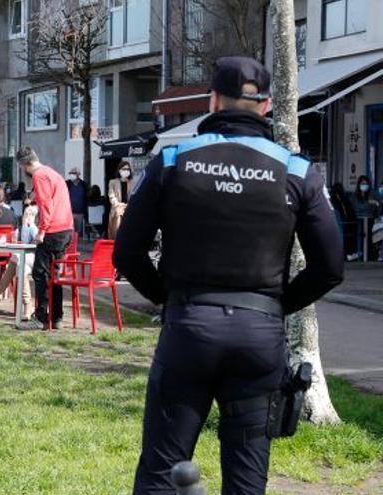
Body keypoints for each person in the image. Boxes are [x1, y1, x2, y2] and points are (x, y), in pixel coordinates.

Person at [113, 56, 344, 494]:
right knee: (246, 474)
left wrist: (167, 296)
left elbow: (127, 252)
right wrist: (276, 304)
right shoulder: (296, 171)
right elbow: (330, 267)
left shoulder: (174, 159)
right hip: (259, 337)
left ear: (214, 100)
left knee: (162, 470)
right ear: (268, 105)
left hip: (189, 328)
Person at [15, 147, 73, 331]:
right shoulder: (52, 173)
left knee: (40, 274)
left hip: (52, 231)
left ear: (25, 164)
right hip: (66, 228)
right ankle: (56, 317)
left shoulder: (39, 176)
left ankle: (40, 317)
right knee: (54, 276)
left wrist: (41, 232)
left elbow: (46, 206)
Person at [0, 202, 38, 320]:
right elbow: (21, 241)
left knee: (19, 260)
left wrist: (30, 229)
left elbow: (35, 242)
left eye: (30, 214)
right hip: (26, 256)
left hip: (36, 256)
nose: (26, 216)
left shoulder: (33, 227)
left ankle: (25, 303)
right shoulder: (25, 227)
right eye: (25, 213)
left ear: (34, 216)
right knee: (17, 258)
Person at [108, 161, 133, 239]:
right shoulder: (113, 182)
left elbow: (134, 195)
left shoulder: (132, 182)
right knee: (118, 216)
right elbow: (111, 196)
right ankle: (117, 239)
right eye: (124, 169)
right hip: (118, 207)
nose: (126, 171)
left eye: (128, 169)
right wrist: (119, 205)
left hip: (129, 207)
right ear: (119, 170)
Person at [67, 167, 89, 238]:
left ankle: (77, 245)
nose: (71, 175)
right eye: (70, 173)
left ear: (78, 175)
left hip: (80, 212)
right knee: (70, 231)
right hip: (69, 212)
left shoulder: (83, 185)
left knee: (78, 232)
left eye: (73, 173)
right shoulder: (67, 184)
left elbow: (86, 198)